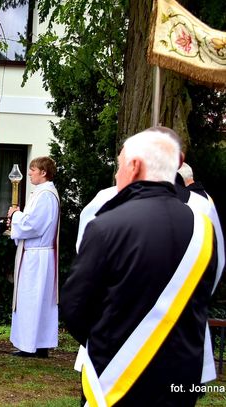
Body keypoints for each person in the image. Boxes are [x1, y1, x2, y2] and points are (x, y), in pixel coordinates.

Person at [61, 128, 218, 406]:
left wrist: (111, 334)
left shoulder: (107, 222)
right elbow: (209, 284)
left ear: (134, 167)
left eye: (120, 165)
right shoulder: (204, 223)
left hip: (118, 367)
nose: (118, 173)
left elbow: (75, 306)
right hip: (182, 367)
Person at [7, 156, 59, 358]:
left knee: (34, 299)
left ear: (44, 172)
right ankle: (36, 343)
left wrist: (15, 215)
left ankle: (33, 345)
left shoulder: (45, 195)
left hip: (38, 257)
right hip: (36, 254)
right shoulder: (42, 193)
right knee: (36, 300)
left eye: (33, 170)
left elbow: (33, 225)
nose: (29, 173)